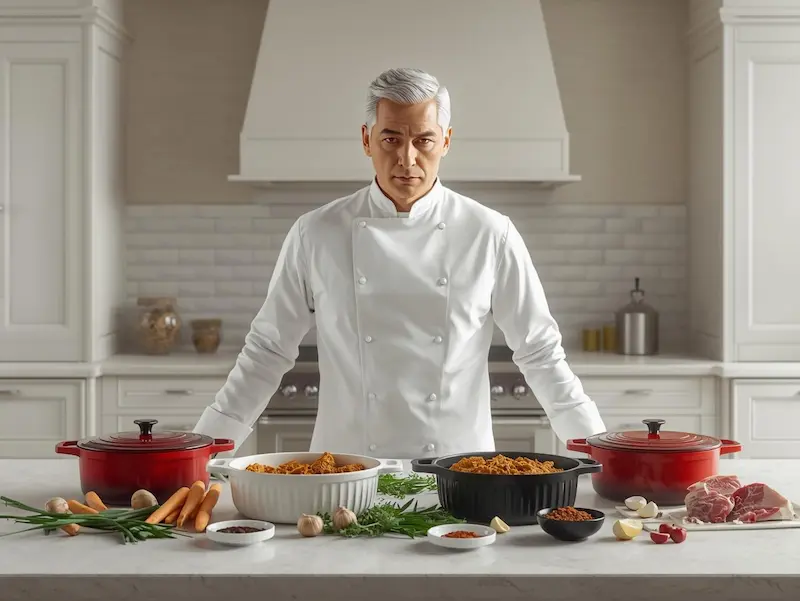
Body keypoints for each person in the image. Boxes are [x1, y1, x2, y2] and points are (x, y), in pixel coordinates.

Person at [193, 67, 606, 459]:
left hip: (457, 471)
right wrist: (205, 448)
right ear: (366, 139)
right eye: (391, 139)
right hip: (344, 471)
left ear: (445, 141)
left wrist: (596, 448)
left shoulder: (490, 233)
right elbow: (267, 349)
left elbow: (539, 351)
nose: (407, 159)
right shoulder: (315, 233)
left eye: (423, 140)